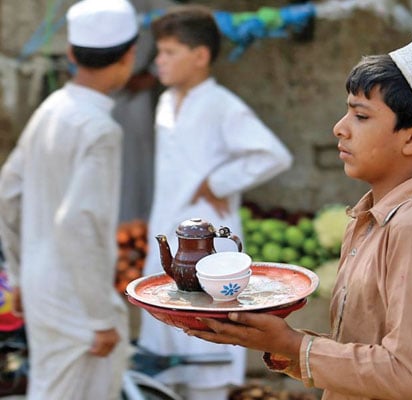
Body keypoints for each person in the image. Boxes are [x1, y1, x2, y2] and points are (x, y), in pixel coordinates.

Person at [183, 36, 412, 400]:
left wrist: (295, 345)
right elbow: (362, 351)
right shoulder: (367, 221)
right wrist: (280, 343)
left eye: (361, 116)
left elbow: (406, 374)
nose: (340, 128)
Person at [137, 5, 293, 400]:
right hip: (168, 234)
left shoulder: (222, 104)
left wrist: (219, 182)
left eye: (170, 51)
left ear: (200, 56)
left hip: (209, 244)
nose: (159, 60)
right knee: (164, 359)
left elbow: (273, 154)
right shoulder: (165, 103)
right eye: (160, 51)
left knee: (207, 348)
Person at [0, 0, 138, 399]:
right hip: (76, 298)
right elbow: (76, 222)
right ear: (129, 56)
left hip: (43, 285)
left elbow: (8, 193)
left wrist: (21, 273)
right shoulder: (99, 129)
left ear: (73, 54)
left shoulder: (52, 108)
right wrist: (99, 317)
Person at [112, 0, 174, 223]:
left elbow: (179, 27)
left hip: (135, 92)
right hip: (104, 91)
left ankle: (139, 225)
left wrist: (152, 74)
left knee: (139, 162)